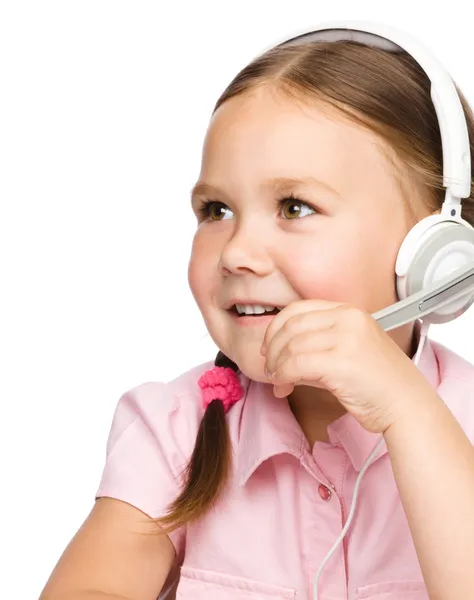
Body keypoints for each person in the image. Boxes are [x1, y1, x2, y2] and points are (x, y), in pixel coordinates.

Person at [39, 25, 474, 600]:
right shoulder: (175, 430)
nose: (238, 252)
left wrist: (406, 410)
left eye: (295, 206)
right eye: (216, 208)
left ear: (434, 249)